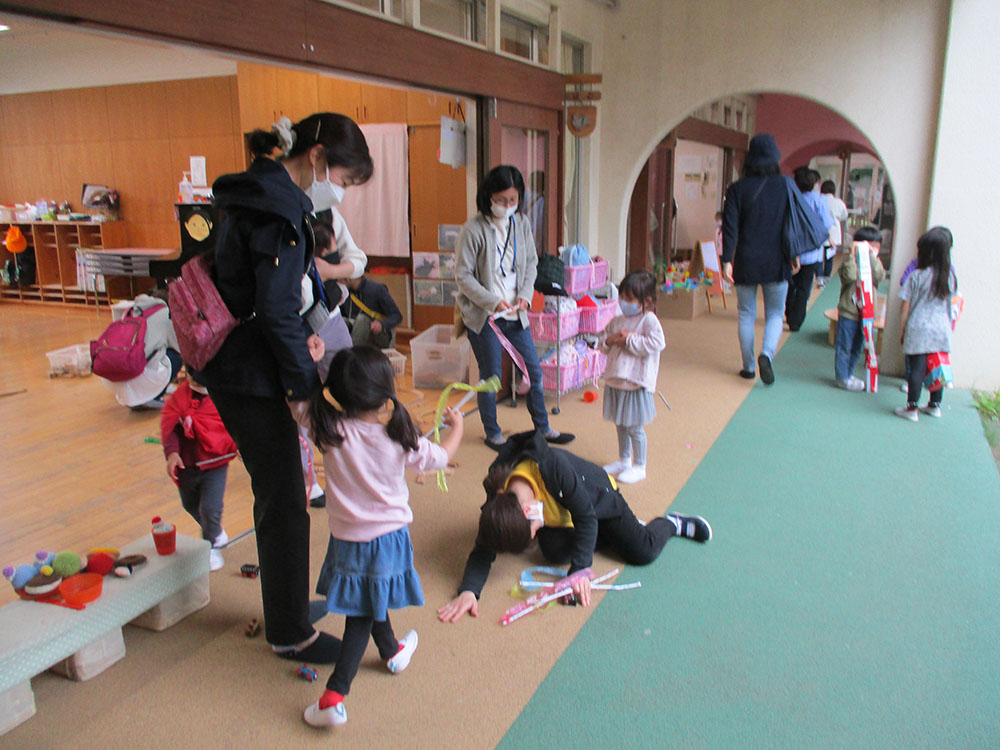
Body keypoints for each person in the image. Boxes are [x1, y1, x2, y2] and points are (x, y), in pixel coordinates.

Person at [195, 112, 373, 665]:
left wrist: (309, 339)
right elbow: (272, 309)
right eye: (341, 180)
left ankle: (288, 607)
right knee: (284, 497)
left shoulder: (260, 194)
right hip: (248, 373)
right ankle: (290, 632)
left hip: (244, 362)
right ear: (317, 158)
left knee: (281, 493)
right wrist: (302, 392)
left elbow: (279, 297)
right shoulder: (279, 210)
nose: (338, 193)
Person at [295, 346, 464, 727]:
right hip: (389, 540)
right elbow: (440, 457)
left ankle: (391, 652)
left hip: (349, 541)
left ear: (335, 390)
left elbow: (299, 401)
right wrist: (459, 428)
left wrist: (309, 360)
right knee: (362, 612)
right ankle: (333, 697)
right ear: (387, 390)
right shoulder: (399, 436)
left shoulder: (329, 429)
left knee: (368, 598)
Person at [436, 429, 711, 623]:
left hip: (598, 502)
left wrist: (580, 571)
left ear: (528, 510)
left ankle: (671, 523)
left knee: (642, 551)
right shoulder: (498, 497)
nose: (533, 536)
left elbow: (586, 517)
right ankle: (609, 536)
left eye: (532, 531)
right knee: (553, 551)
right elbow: (484, 546)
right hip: (564, 516)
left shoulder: (553, 467)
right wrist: (469, 590)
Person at [455, 164, 573, 450]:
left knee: (533, 370)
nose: (508, 206)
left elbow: (531, 263)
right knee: (491, 376)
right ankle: (493, 433)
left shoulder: (521, 223)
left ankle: (543, 429)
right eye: (501, 200)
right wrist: (493, 301)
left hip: (516, 313)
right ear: (488, 197)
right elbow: (463, 276)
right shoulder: (473, 229)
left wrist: (525, 295)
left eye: (513, 200)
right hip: (486, 316)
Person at [721, 133, 801, 385]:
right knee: (776, 313)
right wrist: (795, 254)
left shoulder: (736, 189)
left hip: (746, 258)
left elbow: (730, 228)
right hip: (777, 259)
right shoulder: (785, 185)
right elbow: (793, 224)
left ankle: (747, 367)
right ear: (774, 158)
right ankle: (766, 354)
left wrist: (726, 260)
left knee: (746, 313)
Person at [160, 372, 237, 570]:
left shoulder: (223, 396)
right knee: (190, 504)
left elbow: (234, 424)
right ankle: (214, 529)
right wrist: (172, 453)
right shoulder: (180, 398)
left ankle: (211, 545)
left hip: (215, 464)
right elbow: (170, 426)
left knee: (210, 508)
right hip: (187, 466)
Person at [599, 269, 665, 484]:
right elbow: (603, 342)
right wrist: (611, 341)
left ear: (645, 301)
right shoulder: (618, 321)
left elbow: (657, 344)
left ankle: (640, 465)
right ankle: (624, 459)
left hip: (635, 382)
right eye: (622, 296)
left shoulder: (649, 320)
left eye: (629, 298)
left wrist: (629, 341)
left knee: (634, 426)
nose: (624, 302)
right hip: (616, 379)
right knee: (620, 423)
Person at [896, 227, 957, 422]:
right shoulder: (950, 277)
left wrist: (902, 329)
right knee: (938, 366)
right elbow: (952, 304)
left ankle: (912, 408)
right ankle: (934, 405)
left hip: (918, 328)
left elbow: (905, 307)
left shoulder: (917, 276)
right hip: (941, 328)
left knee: (917, 369)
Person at [834, 226, 885, 391]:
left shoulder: (874, 262)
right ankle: (842, 377)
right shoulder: (850, 260)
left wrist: (872, 256)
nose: (873, 249)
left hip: (866, 313)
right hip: (849, 311)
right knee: (844, 346)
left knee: (857, 347)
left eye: (876, 246)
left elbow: (879, 276)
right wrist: (852, 255)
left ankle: (848, 374)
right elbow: (848, 276)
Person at [785, 166, 835, 332]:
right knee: (804, 288)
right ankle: (796, 321)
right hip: (811, 252)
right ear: (814, 183)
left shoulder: (792, 198)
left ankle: (788, 313)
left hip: (792, 250)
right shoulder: (819, 201)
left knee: (791, 285)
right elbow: (827, 224)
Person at [340, 273, 403, 349]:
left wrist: (381, 324)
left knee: (361, 319)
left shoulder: (377, 289)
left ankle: (353, 355)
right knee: (341, 321)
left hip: (377, 335)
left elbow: (397, 316)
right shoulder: (345, 292)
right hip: (355, 332)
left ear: (348, 279)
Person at [819, 180, 849, 286]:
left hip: (819, 231)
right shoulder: (838, 202)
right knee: (829, 258)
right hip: (834, 232)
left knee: (818, 257)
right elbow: (844, 216)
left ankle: (819, 277)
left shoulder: (819, 200)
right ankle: (825, 279)